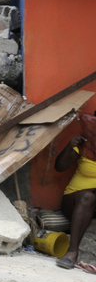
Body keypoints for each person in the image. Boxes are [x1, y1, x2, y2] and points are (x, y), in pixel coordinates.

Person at [55, 112, 96, 268]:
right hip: (75, 202)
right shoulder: (85, 146)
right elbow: (59, 167)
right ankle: (72, 252)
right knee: (87, 197)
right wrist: (70, 146)